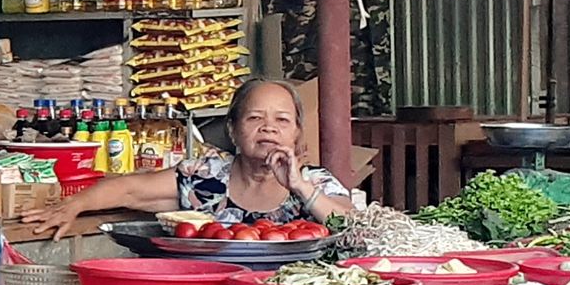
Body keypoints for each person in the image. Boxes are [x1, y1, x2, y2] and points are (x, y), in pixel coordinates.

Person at [23, 77, 355, 238]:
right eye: (255, 118)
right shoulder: (205, 176)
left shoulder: (316, 184)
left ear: (297, 132)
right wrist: (73, 205)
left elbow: (356, 227)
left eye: (282, 120)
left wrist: (299, 187)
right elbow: (128, 189)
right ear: (233, 129)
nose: (268, 128)